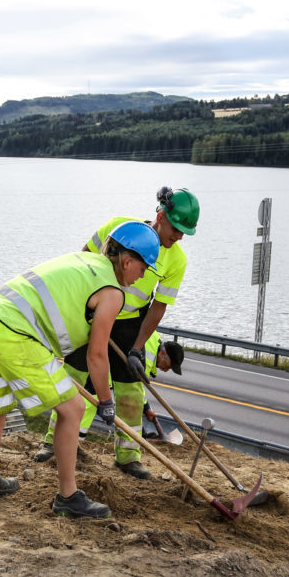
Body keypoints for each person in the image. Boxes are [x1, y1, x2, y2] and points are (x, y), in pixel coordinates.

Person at [0, 221, 160, 519]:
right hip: (13, 331)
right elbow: (97, 355)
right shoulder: (112, 292)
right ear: (128, 260)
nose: (144, 274)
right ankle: (68, 497)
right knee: (72, 408)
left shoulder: (83, 260)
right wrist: (107, 403)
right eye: (144, 267)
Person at [89, 187, 197, 479]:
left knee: (131, 391)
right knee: (80, 378)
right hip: (94, 311)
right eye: (176, 228)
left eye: (186, 232)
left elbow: (158, 308)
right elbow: (84, 258)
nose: (179, 237)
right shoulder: (120, 227)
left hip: (129, 322)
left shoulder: (177, 260)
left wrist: (136, 348)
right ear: (160, 216)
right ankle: (60, 443)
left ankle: (128, 456)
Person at [33, 332, 184, 459]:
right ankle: (56, 445)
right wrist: (145, 408)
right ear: (163, 353)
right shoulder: (146, 358)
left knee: (83, 403)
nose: (167, 369)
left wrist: (146, 409)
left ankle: (67, 445)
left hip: (100, 358)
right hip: (97, 359)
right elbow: (134, 390)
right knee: (77, 402)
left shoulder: (153, 339)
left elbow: (135, 389)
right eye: (169, 365)